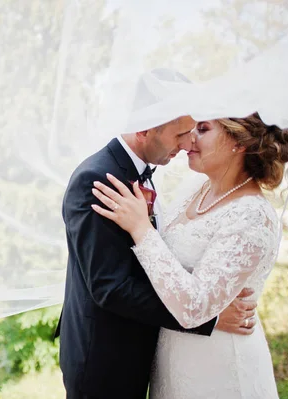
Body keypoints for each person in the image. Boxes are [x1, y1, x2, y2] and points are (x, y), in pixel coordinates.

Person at [54, 69, 260, 399]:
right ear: (145, 128)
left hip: (142, 351)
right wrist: (208, 317)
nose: (188, 143)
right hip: (105, 361)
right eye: (180, 135)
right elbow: (110, 287)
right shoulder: (96, 180)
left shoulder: (144, 170)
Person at [92, 113, 288, 398]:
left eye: (202, 129)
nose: (189, 139)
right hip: (172, 358)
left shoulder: (253, 215)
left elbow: (194, 306)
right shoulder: (195, 191)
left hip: (218, 366)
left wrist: (141, 228)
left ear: (239, 142)